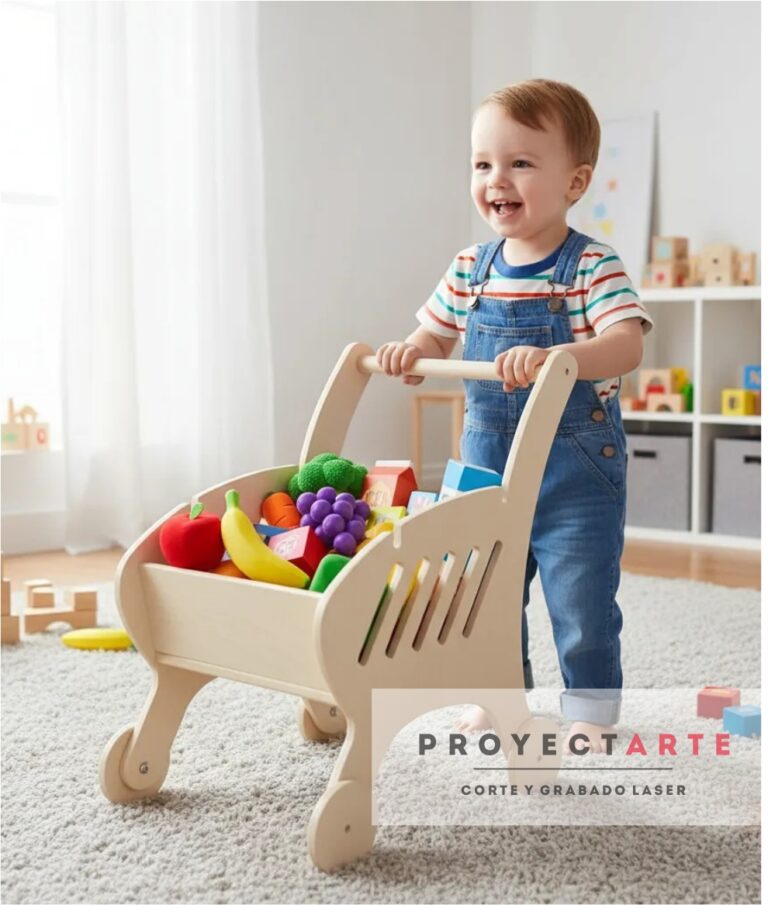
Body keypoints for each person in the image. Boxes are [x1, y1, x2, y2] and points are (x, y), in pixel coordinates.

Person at [376, 79, 654, 755]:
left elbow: (627, 344)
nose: (496, 179)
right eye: (483, 164)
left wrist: (558, 357)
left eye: (521, 162)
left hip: (574, 469)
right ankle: (497, 695)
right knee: (481, 592)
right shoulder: (469, 267)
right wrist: (412, 351)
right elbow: (435, 336)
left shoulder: (590, 265)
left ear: (575, 181)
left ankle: (591, 708)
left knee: (580, 596)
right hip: (485, 463)